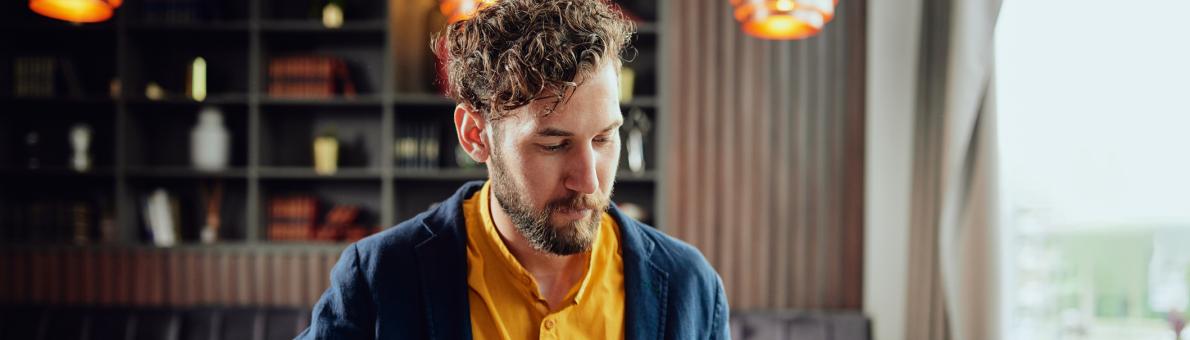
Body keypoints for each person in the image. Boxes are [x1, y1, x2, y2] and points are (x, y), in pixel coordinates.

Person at [297, 0, 728, 338]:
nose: (590, 180)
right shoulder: (380, 276)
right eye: (554, 144)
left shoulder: (690, 284)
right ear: (474, 135)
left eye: (603, 139)